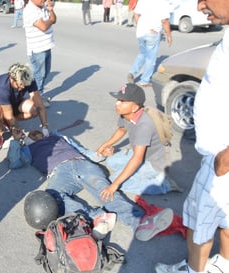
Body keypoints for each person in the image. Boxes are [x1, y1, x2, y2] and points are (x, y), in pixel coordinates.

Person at [154, 1, 229, 272]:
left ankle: (193, 270)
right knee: (226, 219)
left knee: (199, 223)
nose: (199, 5)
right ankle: (223, 264)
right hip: (221, 155)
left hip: (222, 158)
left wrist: (224, 160)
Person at [7, 128, 174, 242]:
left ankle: (140, 222)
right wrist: (15, 141)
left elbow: (83, 150)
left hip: (83, 163)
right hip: (59, 173)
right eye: (32, 134)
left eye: (38, 132)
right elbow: (14, 162)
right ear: (27, 140)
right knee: (52, 199)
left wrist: (99, 154)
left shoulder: (57, 137)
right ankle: (98, 216)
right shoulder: (29, 149)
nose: (36, 134)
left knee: (106, 191)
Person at [97, 83, 174, 200]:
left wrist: (114, 185)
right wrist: (106, 144)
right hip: (140, 156)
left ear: (134, 107)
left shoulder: (144, 125)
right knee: (112, 162)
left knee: (115, 181)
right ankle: (132, 173)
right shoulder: (126, 114)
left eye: (123, 101)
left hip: (153, 163)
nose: (117, 103)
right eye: (118, 99)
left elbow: (137, 159)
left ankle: (164, 185)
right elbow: (121, 130)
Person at [0, 63, 49, 149]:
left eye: (25, 85)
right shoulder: (1, 87)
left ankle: (5, 122)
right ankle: (1, 134)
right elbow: (9, 115)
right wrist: (22, 136)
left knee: (34, 110)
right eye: (20, 84)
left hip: (12, 102)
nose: (23, 87)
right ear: (11, 79)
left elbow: (40, 105)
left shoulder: (28, 79)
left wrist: (45, 126)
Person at [126, 0, 171, 87]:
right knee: (151, 58)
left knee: (142, 53)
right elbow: (165, 20)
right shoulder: (163, 2)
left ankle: (132, 72)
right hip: (152, 32)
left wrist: (141, 26)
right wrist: (169, 35)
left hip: (141, 32)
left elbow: (136, 14)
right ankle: (145, 81)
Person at [23, 0, 56, 107]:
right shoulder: (29, 10)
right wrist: (49, 21)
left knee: (45, 73)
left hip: (47, 46)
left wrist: (51, 10)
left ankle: (39, 96)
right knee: (39, 75)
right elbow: (43, 26)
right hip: (37, 48)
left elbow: (53, 19)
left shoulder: (43, 7)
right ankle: (37, 99)